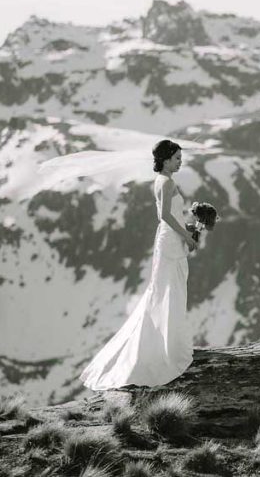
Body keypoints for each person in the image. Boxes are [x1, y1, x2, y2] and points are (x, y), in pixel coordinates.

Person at [78, 139, 199, 390]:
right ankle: (166, 348)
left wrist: (186, 227)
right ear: (165, 159)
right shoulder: (167, 182)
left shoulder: (161, 181)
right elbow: (165, 215)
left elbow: (166, 216)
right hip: (171, 240)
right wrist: (187, 235)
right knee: (170, 290)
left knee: (168, 290)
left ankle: (168, 342)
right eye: (177, 158)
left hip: (168, 237)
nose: (180, 161)